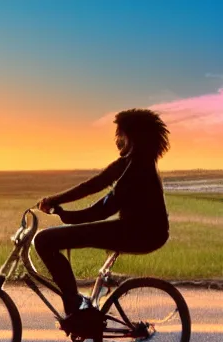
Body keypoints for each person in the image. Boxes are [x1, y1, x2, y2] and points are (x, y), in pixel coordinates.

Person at [36, 108, 170, 319]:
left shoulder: (138, 168)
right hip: (136, 230)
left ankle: (74, 306)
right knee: (51, 238)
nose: (117, 141)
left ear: (133, 136)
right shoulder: (131, 162)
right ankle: (78, 305)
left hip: (140, 234)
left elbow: (104, 209)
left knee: (44, 240)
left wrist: (67, 217)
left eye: (120, 135)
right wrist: (56, 200)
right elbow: (94, 184)